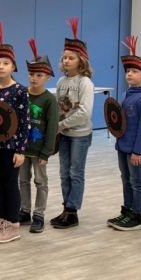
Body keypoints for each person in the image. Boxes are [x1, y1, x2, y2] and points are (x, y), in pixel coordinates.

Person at [0, 23, 30, 243]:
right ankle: (2, 221)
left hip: (12, 147)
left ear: (13, 66)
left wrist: (21, 149)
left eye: (5, 63)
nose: (1, 67)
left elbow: (24, 122)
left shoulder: (19, 91)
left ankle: (13, 225)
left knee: (10, 184)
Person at [106, 36, 141, 231]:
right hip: (123, 146)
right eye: (128, 71)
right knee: (126, 180)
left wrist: (138, 151)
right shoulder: (126, 95)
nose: (130, 74)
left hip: (135, 150)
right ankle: (127, 211)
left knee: (137, 181)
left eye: (135, 71)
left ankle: (137, 216)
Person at [51, 17, 94, 229]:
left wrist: (61, 125)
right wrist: (56, 125)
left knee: (76, 172)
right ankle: (66, 207)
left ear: (81, 61)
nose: (66, 61)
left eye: (71, 58)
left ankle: (73, 211)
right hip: (64, 134)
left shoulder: (85, 83)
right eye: (64, 58)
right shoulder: (61, 81)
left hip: (79, 135)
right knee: (64, 173)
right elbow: (59, 108)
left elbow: (84, 113)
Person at [18, 39, 58, 234]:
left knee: (40, 182)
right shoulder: (22, 94)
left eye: (39, 75)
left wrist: (46, 152)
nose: (34, 78)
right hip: (22, 149)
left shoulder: (49, 100)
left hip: (39, 150)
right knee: (23, 180)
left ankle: (39, 214)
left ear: (48, 77)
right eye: (31, 74)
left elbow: (52, 128)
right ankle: (24, 211)